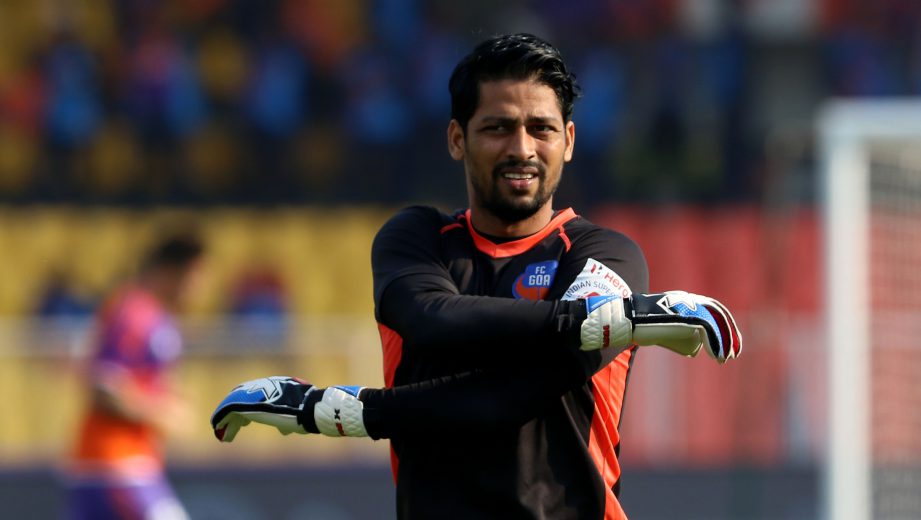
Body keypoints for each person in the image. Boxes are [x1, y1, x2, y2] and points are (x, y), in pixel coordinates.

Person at [210, 34, 741, 520]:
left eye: (541, 129)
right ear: (457, 139)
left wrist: (328, 410)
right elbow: (434, 320)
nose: (522, 149)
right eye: (498, 128)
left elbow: (520, 392)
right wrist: (615, 322)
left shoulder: (603, 252)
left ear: (570, 140)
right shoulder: (416, 239)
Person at [65, 232, 204, 520]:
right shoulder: (136, 314)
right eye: (196, 275)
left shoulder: (148, 314)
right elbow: (104, 387)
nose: (200, 287)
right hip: (116, 467)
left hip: (117, 465)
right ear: (171, 272)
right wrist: (161, 412)